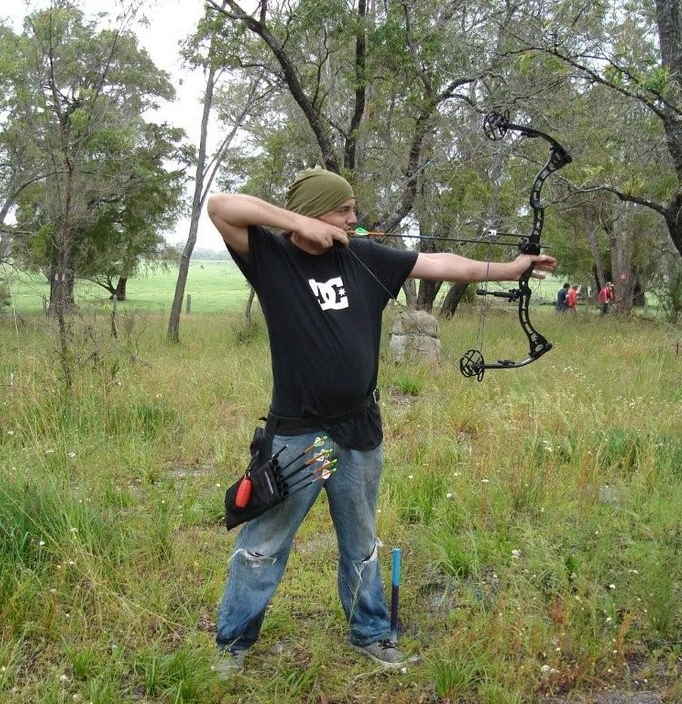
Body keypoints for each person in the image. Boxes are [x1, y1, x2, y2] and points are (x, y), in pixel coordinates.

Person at [207, 168, 556, 677]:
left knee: (362, 540)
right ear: (315, 210)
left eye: (353, 209)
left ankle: (370, 632)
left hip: (358, 430)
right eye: (343, 209)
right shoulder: (271, 257)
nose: (354, 217)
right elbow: (220, 205)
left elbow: (439, 262)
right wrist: (298, 224)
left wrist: (509, 269)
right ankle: (233, 644)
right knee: (263, 545)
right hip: (298, 434)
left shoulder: (363, 256)